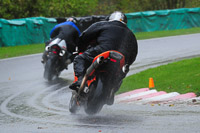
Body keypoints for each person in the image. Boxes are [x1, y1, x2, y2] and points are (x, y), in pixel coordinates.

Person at [69, 11, 138, 98]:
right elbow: (134, 52)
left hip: (102, 51)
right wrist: (127, 62)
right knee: (122, 72)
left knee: (80, 58)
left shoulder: (102, 24)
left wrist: (80, 48)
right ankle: (112, 91)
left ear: (111, 19)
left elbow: (85, 36)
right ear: (125, 22)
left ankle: (79, 82)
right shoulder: (130, 34)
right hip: (121, 58)